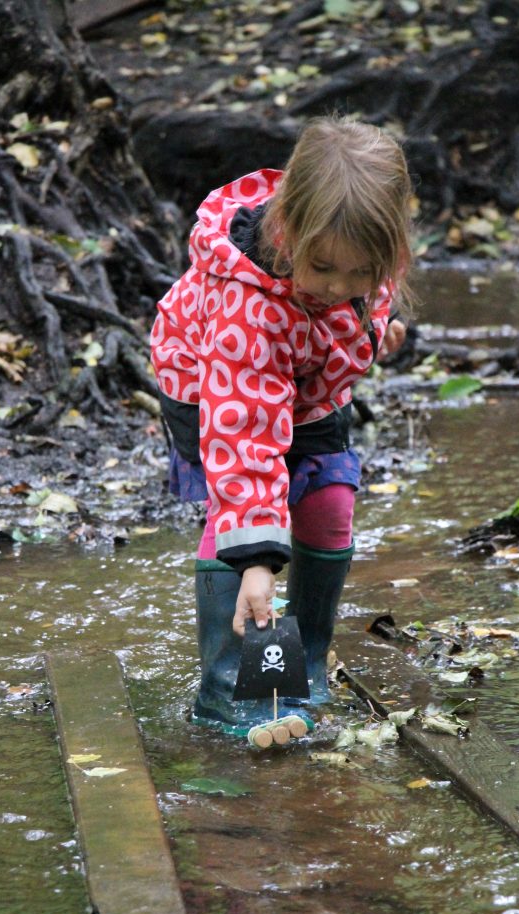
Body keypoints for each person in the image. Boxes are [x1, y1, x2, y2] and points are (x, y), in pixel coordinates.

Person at [150, 114, 414, 737]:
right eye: (324, 269)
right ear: (285, 229)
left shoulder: (356, 256)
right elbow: (245, 442)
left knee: (326, 511)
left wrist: (377, 331)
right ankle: (230, 694)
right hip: (216, 396)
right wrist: (261, 562)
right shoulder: (250, 309)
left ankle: (304, 674)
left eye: (362, 275)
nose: (340, 288)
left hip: (308, 392)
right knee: (243, 532)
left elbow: (359, 303)